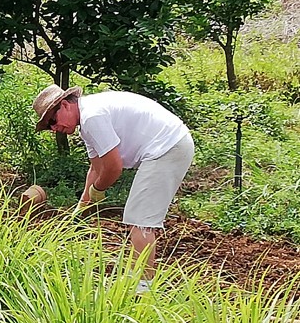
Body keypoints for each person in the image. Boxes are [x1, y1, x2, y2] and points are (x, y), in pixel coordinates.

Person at [32, 84, 195, 294]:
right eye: (48, 127)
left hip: (167, 147)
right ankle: (138, 280)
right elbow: (96, 167)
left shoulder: (92, 117)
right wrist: (82, 206)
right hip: (168, 145)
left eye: (52, 121)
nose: (54, 128)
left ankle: (143, 289)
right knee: (138, 218)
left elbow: (113, 168)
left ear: (65, 105)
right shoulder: (87, 122)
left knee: (140, 220)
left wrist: (99, 189)